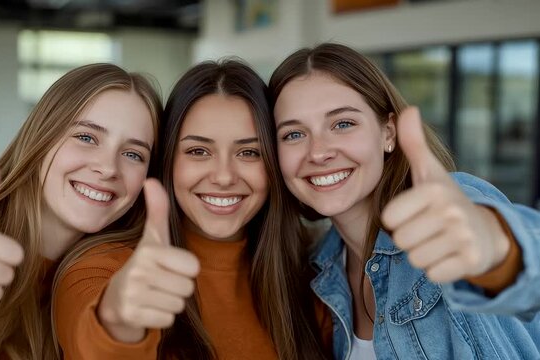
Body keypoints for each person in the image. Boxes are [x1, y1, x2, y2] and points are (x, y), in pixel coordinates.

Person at [269, 42, 540, 359]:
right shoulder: (319, 269)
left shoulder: (448, 211)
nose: (318, 151)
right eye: (293, 134)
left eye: (343, 124)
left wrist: (499, 252)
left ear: (388, 133)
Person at [53, 59, 333, 359]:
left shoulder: (315, 282)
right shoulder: (98, 268)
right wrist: (117, 319)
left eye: (249, 152)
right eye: (198, 151)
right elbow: (94, 345)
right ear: (168, 160)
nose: (224, 176)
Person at [0, 63, 162, 360]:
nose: (108, 168)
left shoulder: (123, 273)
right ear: (43, 137)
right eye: (86, 137)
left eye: (133, 154)